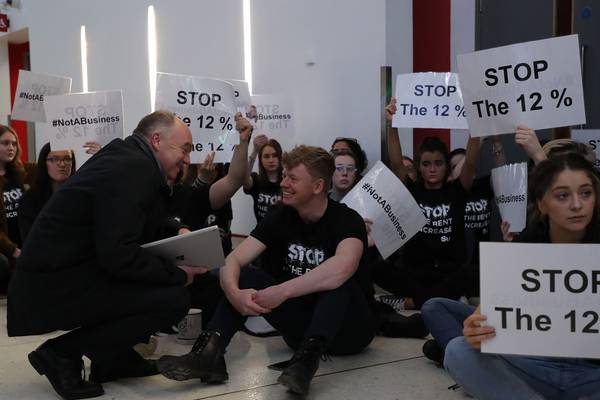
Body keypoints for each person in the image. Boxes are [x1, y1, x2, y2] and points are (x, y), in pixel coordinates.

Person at [7, 110, 251, 400]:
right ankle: (60, 354)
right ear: (157, 140)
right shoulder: (133, 169)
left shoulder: (127, 159)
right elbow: (118, 255)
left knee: (159, 287)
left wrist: (178, 231)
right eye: (184, 149)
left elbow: (138, 219)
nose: (187, 158)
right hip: (53, 287)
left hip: (56, 277)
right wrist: (177, 274)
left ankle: (112, 359)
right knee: (172, 298)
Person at [157, 145, 377, 397]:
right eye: (284, 176)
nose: (283, 183)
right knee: (246, 276)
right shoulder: (280, 216)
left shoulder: (347, 220)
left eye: (292, 178)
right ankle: (209, 354)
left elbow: (343, 267)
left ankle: (306, 364)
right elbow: (234, 260)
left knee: (337, 282)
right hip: (299, 329)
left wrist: (282, 291)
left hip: (351, 330)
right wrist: (234, 293)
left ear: (317, 186)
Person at [443, 153, 600, 399]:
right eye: (562, 196)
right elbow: (486, 314)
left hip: (592, 373)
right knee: (457, 350)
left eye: (586, 193)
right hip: (533, 366)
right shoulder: (525, 245)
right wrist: (475, 330)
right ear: (541, 203)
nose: (577, 205)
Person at [374, 98, 480, 310]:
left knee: (474, 272)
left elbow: (470, 161)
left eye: (438, 163)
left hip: (450, 271)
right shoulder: (412, 191)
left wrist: (476, 124)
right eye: (426, 164)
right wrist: (391, 124)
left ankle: (414, 302)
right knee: (373, 266)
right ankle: (442, 300)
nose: (432, 169)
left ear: (446, 167)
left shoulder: (457, 190)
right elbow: (396, 162)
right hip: (415, 272)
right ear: (419, 167)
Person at [18, 143, 76, 242]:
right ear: (44, 163)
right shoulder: (30, 199)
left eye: (67, 159)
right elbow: (30, 240)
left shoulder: (81, 195)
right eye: (54, 159)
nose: (62, 164)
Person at [0, 124, 29, 291]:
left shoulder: (23, 171)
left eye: (14, 143)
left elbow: (55, 165)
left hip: (24, 243)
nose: (11, 147)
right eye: (5, 143)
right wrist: (14, 251)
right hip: (6, 251)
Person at [243, 134, 283, 224]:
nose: (271, 160)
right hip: (261, 233)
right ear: (260, 159)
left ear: (280, 157)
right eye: (266, 156)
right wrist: (255, 151)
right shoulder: (256, 180)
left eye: (275, 155)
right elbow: (244, 179)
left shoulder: (287, 181)